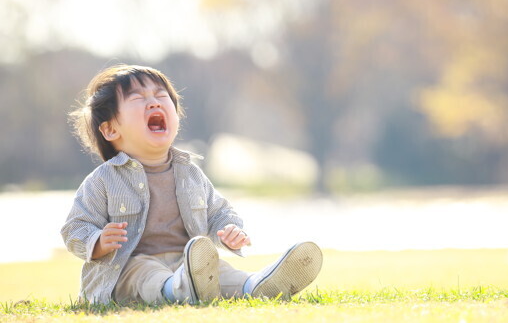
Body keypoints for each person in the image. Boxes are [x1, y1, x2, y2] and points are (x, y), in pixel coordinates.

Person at [61, 64, 322, 304]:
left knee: (219, 270)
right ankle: (176, 290)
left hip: (187, 263)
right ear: (110, 130)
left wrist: (230, 230)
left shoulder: (191, 174)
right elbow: (75, 226)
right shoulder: (104, 180)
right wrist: (98, 241)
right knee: (144, 271)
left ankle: (256, 286)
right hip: (125, 272)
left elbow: (219, 211)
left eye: (161, 97)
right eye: (138, 99)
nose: (154, 103)